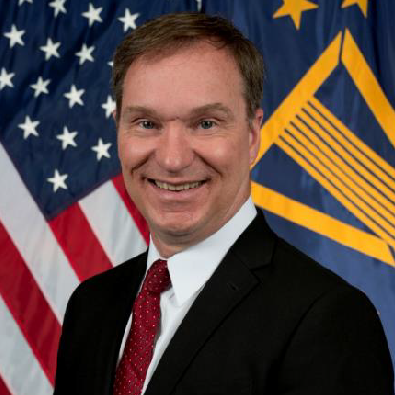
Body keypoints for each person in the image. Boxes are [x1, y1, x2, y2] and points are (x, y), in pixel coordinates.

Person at [53, 12, 394, 395]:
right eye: (147, 124)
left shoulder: (328, 318)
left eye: (206, 123)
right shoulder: (91, 305)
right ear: (118, 130)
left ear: (251, 136)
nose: (173, 159)